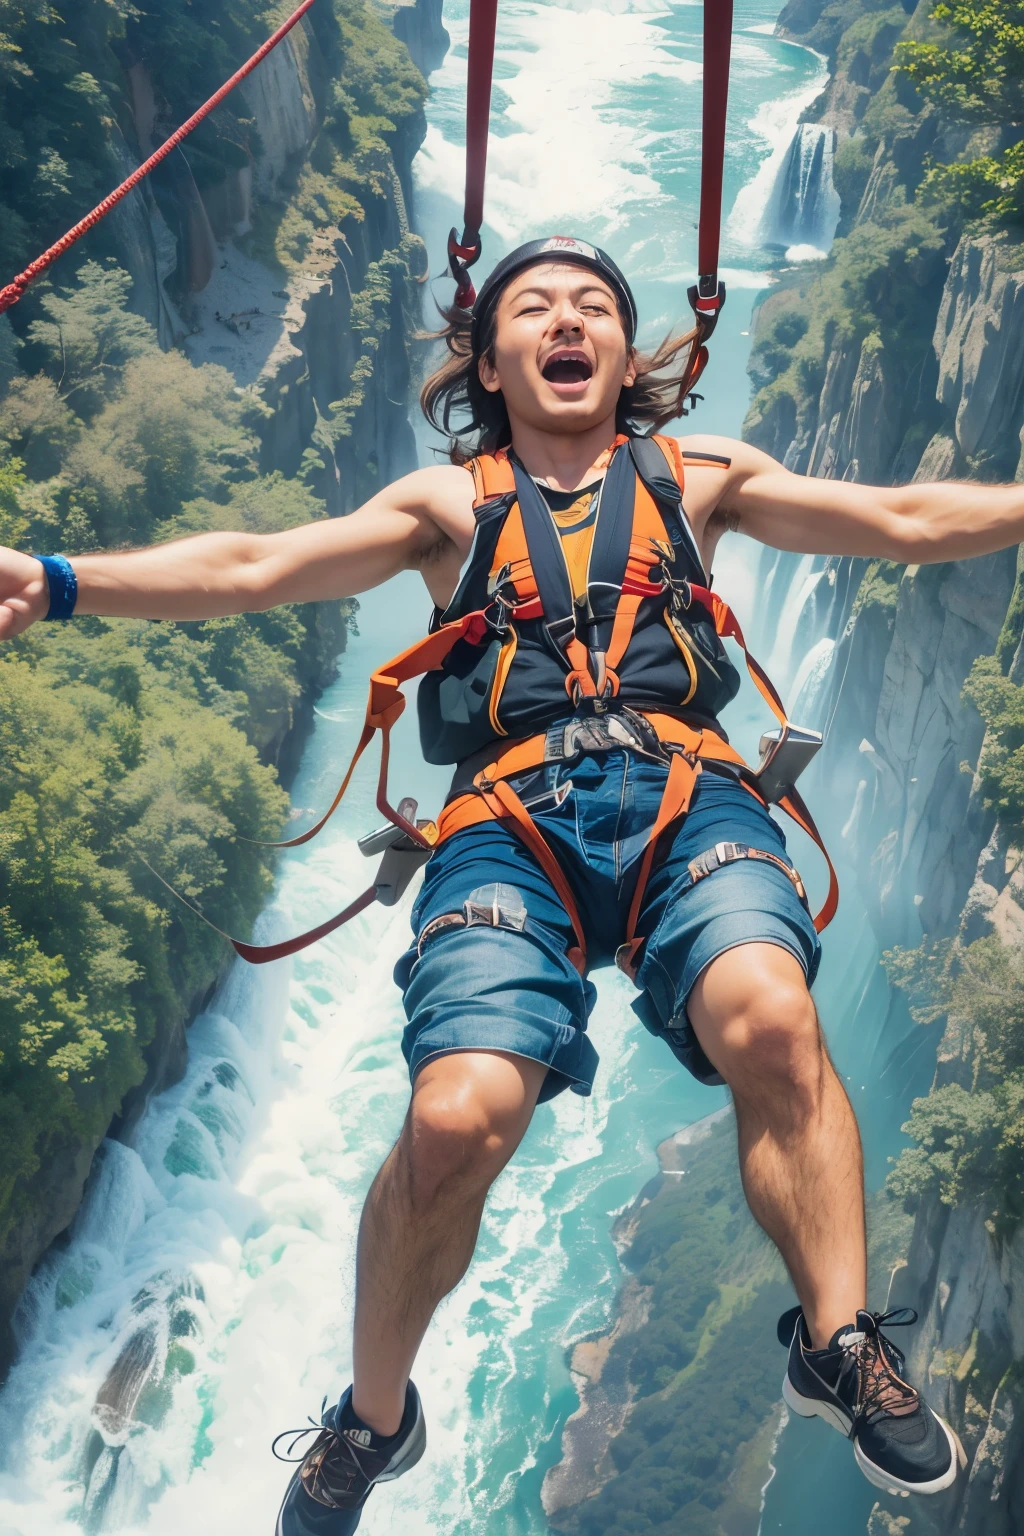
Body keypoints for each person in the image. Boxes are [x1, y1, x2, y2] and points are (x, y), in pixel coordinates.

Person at [8, 233, 1014, 1531]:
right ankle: (373, 1417)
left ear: (624, 352)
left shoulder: (699, 480)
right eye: (534, 307)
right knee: (456, 1122)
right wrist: (67, 583)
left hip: (684, 793)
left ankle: (838, 1341)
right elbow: (259, 565)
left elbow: (901, 520)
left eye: (593, 305)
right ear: (491, 360)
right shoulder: (446, 508)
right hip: (511, 824)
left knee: (770, 1012)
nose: (567, 320)